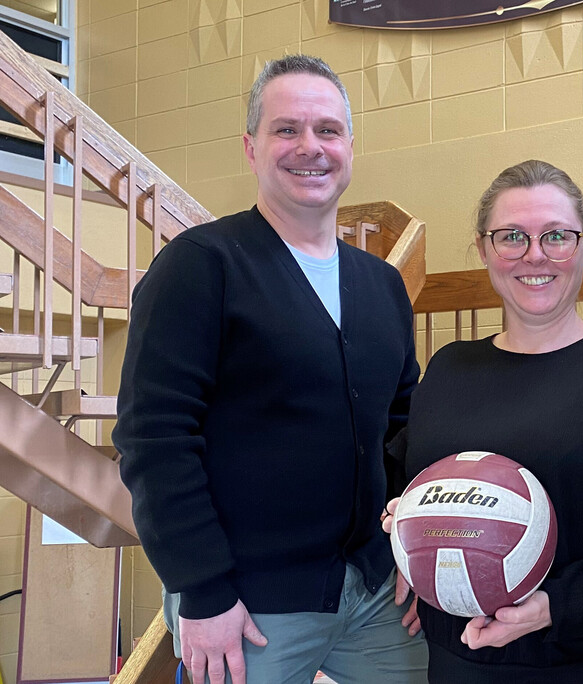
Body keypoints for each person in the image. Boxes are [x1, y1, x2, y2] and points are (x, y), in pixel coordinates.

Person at [113, 55, 428, 684]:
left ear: (350, 146)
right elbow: (154, 438)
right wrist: (202, 590)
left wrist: (416, 552)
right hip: (248, 603)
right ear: (251, 147)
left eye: (327, 130)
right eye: (287, 129)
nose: (310, 147)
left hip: (375, 591)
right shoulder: (200, 266)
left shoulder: (383, 284)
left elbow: (403, 429)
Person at [380, 159, 583, 683]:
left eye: (556, 235)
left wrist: (555, 606)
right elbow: (410, 493)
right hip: (455, 664)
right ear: (484, 248)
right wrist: (410, 536)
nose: (535, 254)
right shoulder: (448, 368)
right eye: (512, 236)